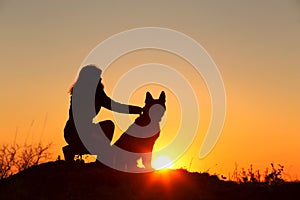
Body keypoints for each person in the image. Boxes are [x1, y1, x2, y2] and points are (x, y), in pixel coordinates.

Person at [63, 65, 142, 162]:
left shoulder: (78, 90)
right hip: (80, 132)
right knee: (108, 126)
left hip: (71, 131)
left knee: (101, 141)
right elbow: (114, 106)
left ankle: (73, 150)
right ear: (90, 78)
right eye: (98, 76)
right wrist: (135, 110)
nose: (100, 79)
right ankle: (99, 157)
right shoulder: (95, 93)